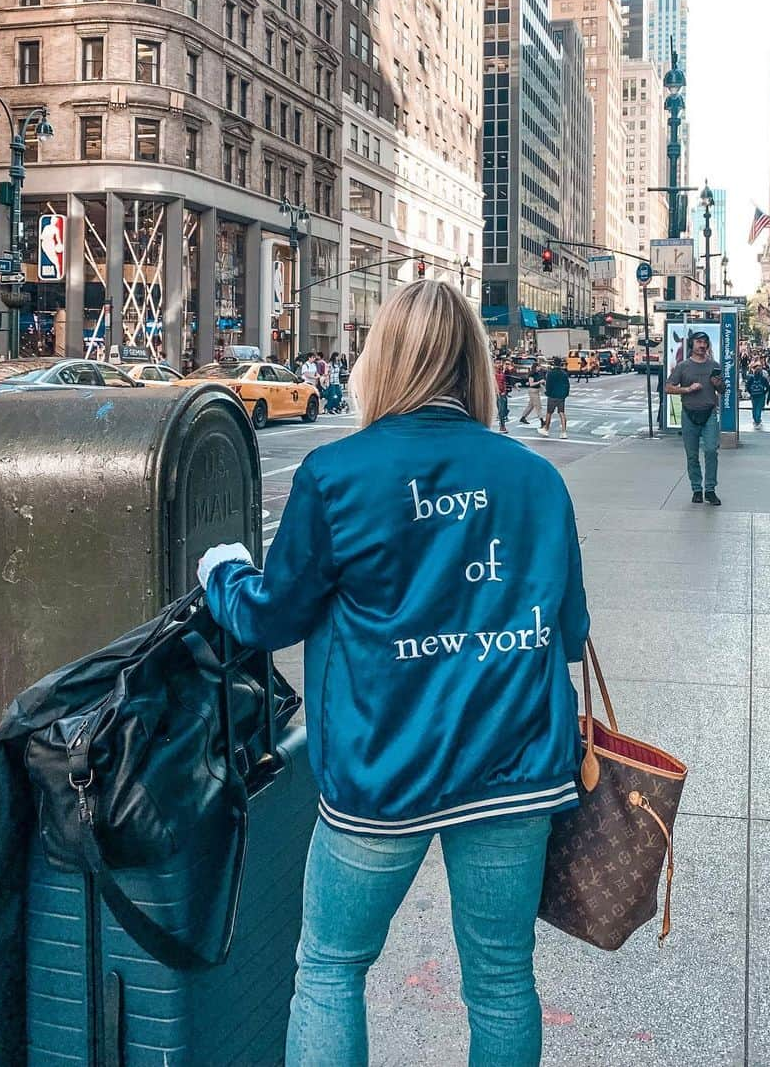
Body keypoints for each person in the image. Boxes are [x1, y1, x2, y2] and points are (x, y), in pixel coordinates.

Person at [196, 280, 589, 1067]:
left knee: (333, 969)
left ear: (384, 360)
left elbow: (271, 616)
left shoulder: (338, 475)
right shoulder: (535, 479)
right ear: (476, 366)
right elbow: (569, 635)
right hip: (514, 769)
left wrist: (221, 573)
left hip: (385, 770)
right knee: (504, 982)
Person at [666, 331, 724, 505]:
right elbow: (668, 387)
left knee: (711, 451)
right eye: (699, 342)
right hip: (689, 413)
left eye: (705, 342)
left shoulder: (714, 365)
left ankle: (710, 489)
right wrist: (687, 389)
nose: (702, 345)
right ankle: (697, 489)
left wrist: (718, 384)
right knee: (692, 455)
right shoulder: (683, 366)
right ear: (692, 345)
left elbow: (722, 390)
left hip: (709, 413)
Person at [538, 357, 570, 438]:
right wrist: (565, 394)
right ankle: (563, 432)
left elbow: (548, 385)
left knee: (549, 413)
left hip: (552, 395)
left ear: (553, 363)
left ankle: (546, 429)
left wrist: (547, 392)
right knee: (561, 412)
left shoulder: (550, 373)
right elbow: (567, 385)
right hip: (561, 395)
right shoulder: (564, 373)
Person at [745, 362, 770, 429]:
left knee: (754, 407)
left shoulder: (751, 378)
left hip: (753, 395)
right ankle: (758, 420)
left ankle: (755, 419)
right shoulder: (763, 378)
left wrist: (750, 392)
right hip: (761, 395)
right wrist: (764, 393)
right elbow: (768, 387)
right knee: (759, 408)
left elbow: (747, 386)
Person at [494, 359, 510, 434]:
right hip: (496, 393)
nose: (499, 364)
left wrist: (504, 391)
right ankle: (502, 426)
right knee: (500, 410)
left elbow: (504, 383)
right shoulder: (493, 373)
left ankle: (502, 425)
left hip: (502, 393)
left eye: (499, 363)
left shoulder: (501, 373)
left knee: (502, 409)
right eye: (497, 363)